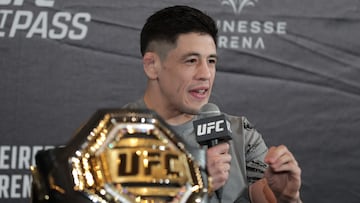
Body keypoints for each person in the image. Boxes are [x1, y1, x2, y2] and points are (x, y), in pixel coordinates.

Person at [124, 5, 302, 203]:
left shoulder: (240, 133)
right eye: (191, 61)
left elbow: (263, 193)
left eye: (211, 61)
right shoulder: (110, 138)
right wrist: (190, 186)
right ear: (152, 66)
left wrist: (286, 196)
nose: (205, 74)